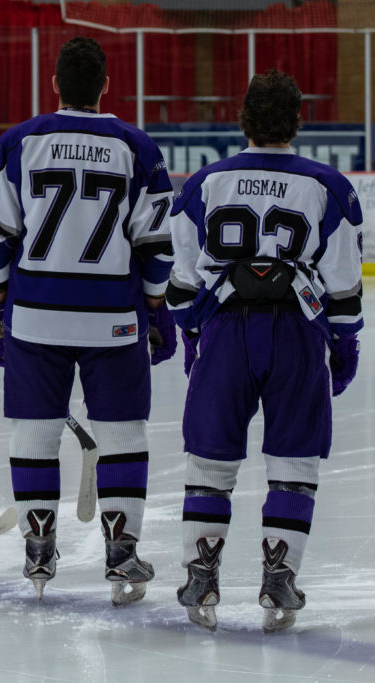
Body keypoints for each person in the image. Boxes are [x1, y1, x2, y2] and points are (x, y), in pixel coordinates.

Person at [0, 37, 175, 605]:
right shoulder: (137, 147)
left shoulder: (17, 142)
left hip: (36, 316)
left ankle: (38, 551)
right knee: (122, 434)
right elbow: (156, 245)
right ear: (106, 85)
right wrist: (155, 307)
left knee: (33, 432)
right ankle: (122, 552)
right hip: (112, 317)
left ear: (55, 83)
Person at [167, 69, 363, 632]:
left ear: (242, 117)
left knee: (210, 458)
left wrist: (189, 329)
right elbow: (343, 282)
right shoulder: (329, 186)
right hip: (297, 333)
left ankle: (201, 575)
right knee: (294, 460)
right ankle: (280, 579)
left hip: (226, 331)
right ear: (297, 121)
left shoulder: (205, 183)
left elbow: (183, 280)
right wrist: (344, 342)